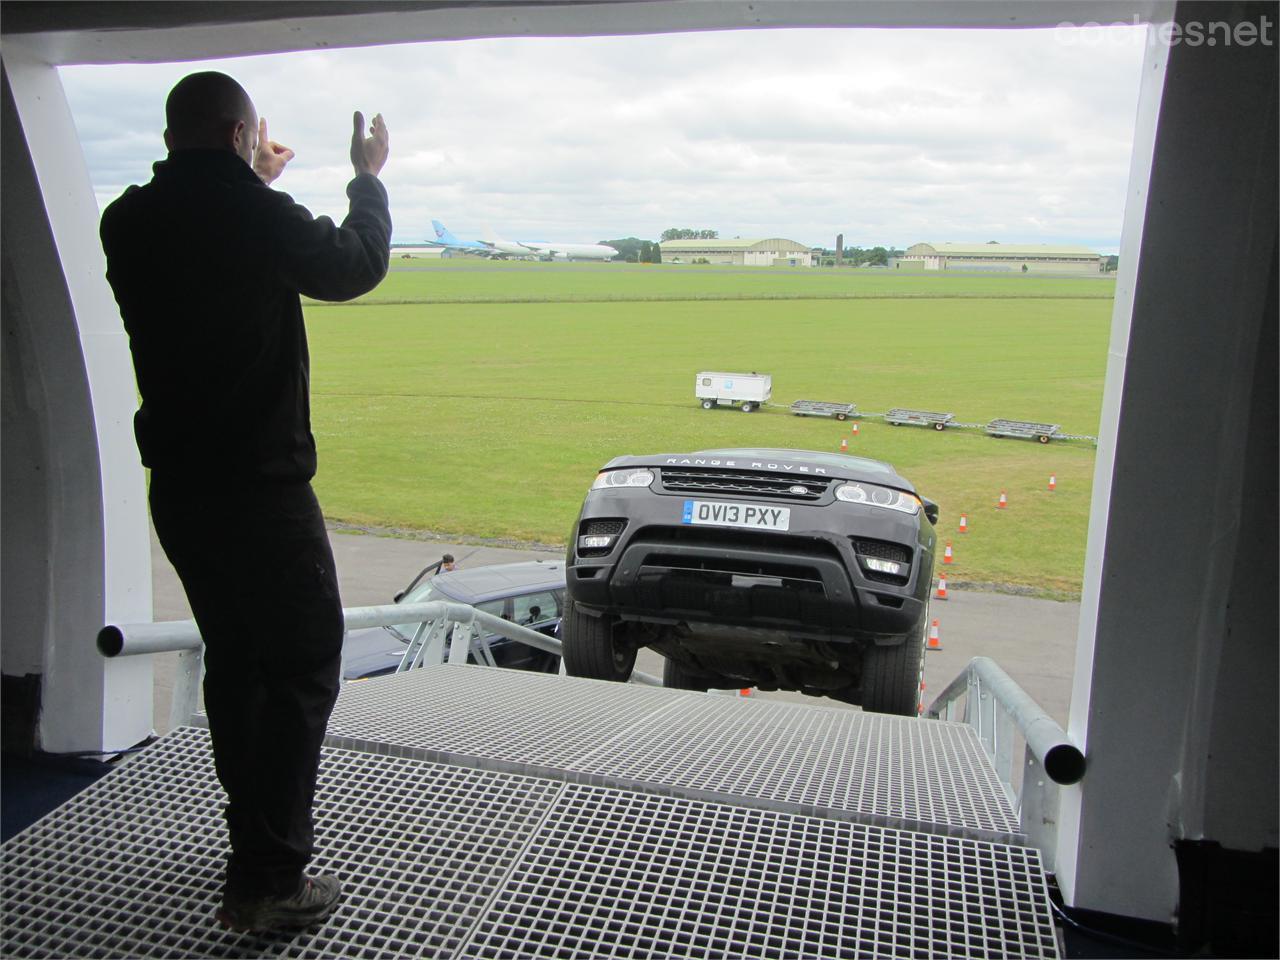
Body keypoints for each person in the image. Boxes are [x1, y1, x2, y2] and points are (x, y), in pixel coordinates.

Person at [99, 72, 392, 933]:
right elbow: (352, 265)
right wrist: (367, 175)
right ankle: (269, 877)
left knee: (235, 662)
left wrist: (248, 176)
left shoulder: (129, 220)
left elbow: (207, 238)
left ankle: (253, 840)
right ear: (238, 136)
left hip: (182, 492)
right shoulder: (257, 217)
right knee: (302, 665)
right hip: (261, 490)